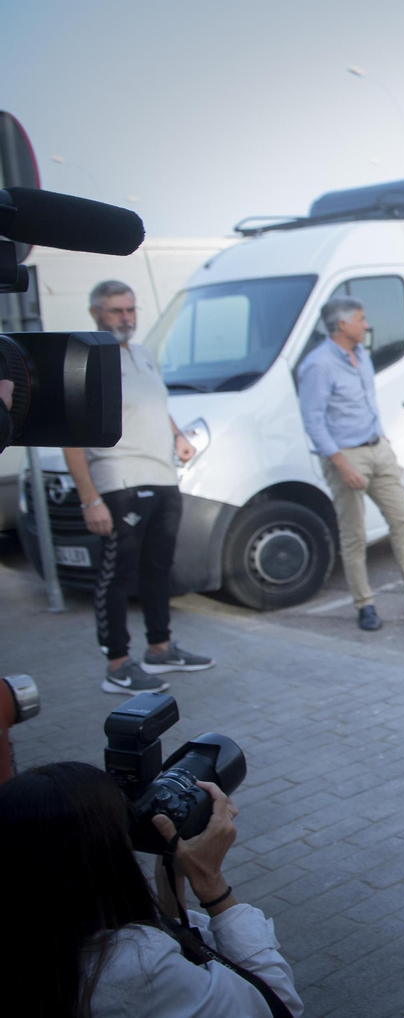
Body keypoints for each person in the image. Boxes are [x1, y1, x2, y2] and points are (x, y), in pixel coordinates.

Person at [0, 761, 304, 1017]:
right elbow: (277, 1005)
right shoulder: (134, 964)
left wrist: (169, 882)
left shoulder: (42, 940)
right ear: (103, 857)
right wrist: (211, 882)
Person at [61, 281, 214, 695]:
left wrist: (178, 435)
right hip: (121, 484)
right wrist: (90, 498)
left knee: (158, 569)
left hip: (163, 478)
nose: (126, 318)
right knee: (117, 575)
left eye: (130, 310)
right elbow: (70, 436)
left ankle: (160, 648)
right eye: (116, 311)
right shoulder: (88, 362)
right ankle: (117, 665)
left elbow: (154, 407)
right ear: (96, 313)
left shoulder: (144, 354)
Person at [296, 296, 404, 631]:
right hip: (346, 456)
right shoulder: (319, 365)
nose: (366, 324)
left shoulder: (360, 355)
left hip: (377, 448)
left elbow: (367, 404)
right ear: (342, 325)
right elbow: (312, 422)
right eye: (361, 318)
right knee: (354, 535)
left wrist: (384, 444)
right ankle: (364, 605)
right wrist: (342, 465)